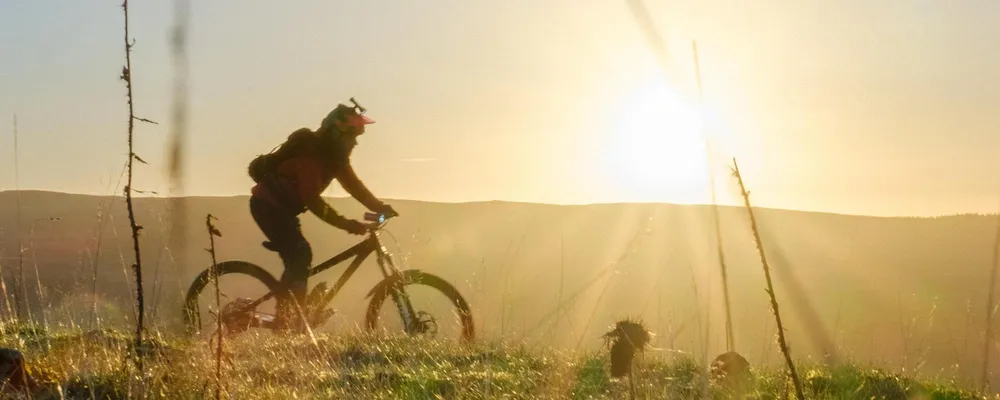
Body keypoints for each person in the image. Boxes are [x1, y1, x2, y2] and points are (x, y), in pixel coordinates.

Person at [248, 100, 397, 331]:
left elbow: (354, 186)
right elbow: (313, 201)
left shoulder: (334, 159)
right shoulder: (312, 155)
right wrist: (346, 224)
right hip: (266, 206)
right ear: (338, 134)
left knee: (298, 259)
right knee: (300, 253)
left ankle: (292, 314)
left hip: (283, 210)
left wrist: (380, 206)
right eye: (353, 136)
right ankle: (288, 320)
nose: (355, 142)